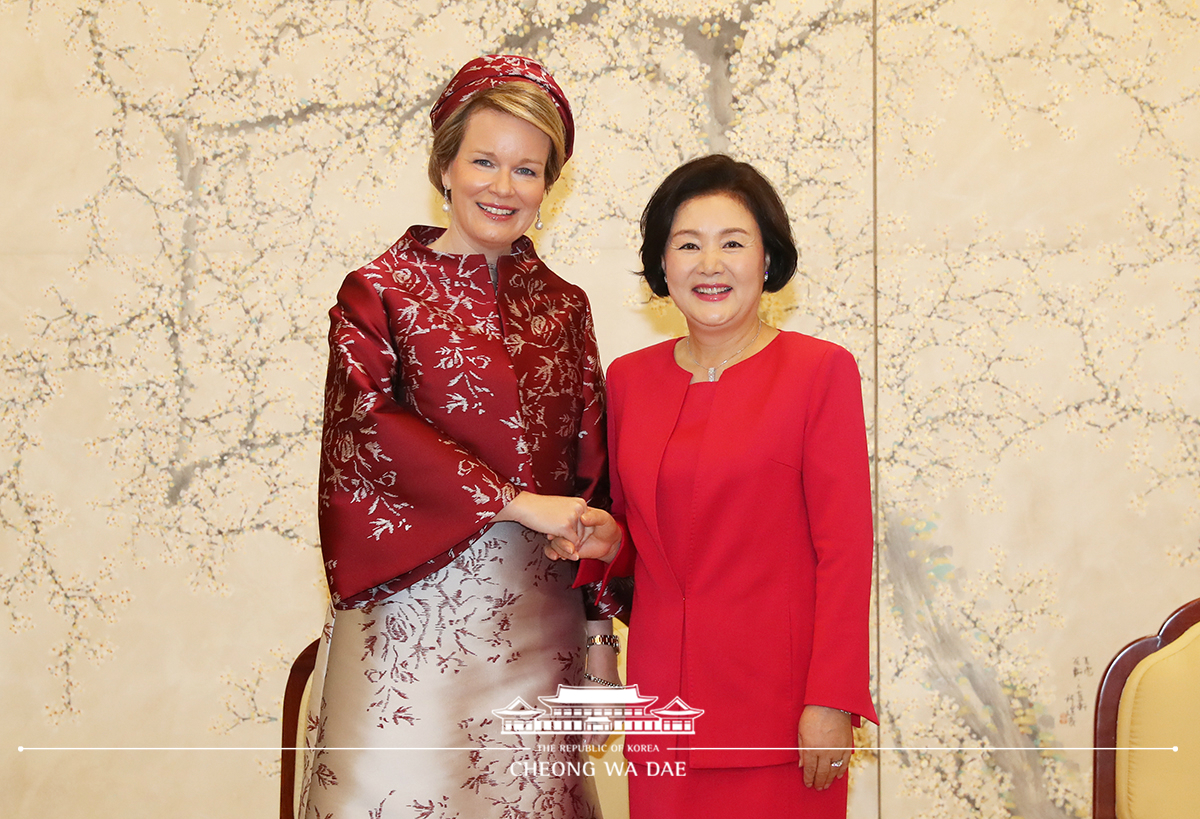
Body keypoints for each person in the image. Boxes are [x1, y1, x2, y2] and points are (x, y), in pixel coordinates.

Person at [301, 55, 615, 819]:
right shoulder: (378, 291)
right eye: (483, 160)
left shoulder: (565, 307)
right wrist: (516, 502)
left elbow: (591, 465)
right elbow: (365, 433)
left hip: (539, 630)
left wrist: (602, 614)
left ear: (549, 185)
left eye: (527, 169)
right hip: (408, 630)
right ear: (445, 164)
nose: (503, 186)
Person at [552, 154, 878, 817]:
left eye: (733, 243)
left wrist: (832, 699)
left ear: (767, 260)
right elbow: (642, 537)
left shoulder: (820, 372)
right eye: (688, 244)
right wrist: (605, 539)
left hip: (784, 716)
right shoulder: (629, 380)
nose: (710, 263)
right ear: (662, 266)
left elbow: (845, 550)